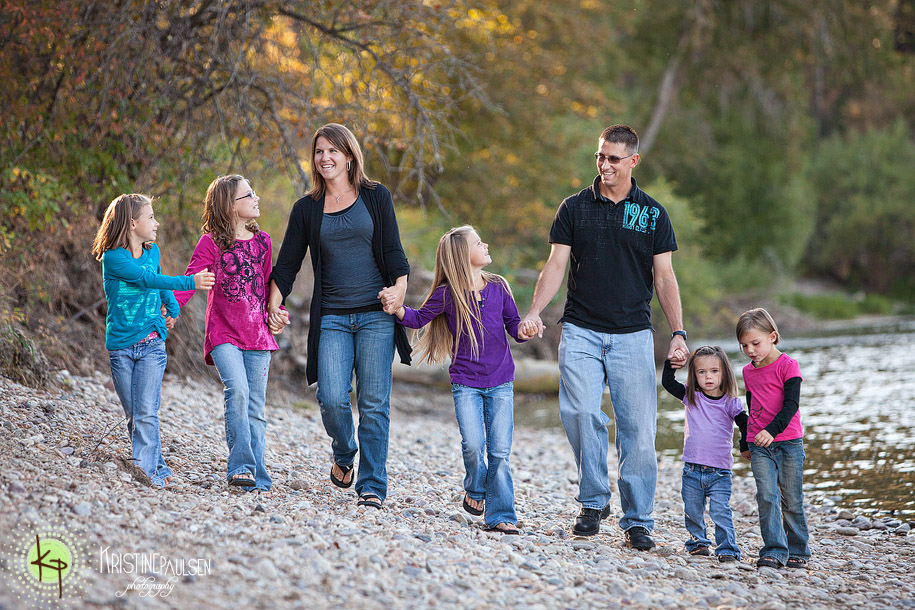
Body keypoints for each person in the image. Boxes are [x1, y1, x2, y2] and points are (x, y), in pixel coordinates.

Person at [522, 124, 688, 548]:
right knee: (579, 413)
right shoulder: (574, 208)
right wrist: (536, 311)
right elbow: (555, 265)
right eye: (601, 156)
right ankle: (594, 501)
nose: (605, 164)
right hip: (579, 330)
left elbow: (665, 278)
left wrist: (678, 333)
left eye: (614, 158)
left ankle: (638, 521)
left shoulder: (653, 213)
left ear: (634, 161)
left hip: (633, 336)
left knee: (637, 432)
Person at [268, 123, 411, 510]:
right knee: (331, 397)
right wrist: (273, 303)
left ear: (349, 156)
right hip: (331, 316)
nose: (325, 158)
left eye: (333, 151)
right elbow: (287, 265)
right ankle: (345, 452)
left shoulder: (375, 196)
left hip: (375, 317)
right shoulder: (306, 209)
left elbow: (395, 254)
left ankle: (372, 486)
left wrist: (399, 289)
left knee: (375, 401)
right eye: (319, 152)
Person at [382, 226, 537, 534]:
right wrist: (398, 308)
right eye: (480, 243)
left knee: (500, 452)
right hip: (466, 383)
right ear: (463, 255)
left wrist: (526, 329)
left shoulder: (499, 287)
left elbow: (514, 327)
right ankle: (475, 487)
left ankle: (501, 515)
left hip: (502, 382)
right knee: (473, 445)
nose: (486, 244)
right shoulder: (448, 294)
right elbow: (417, 318)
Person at [92, 193, 215, 488]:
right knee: (135, 414)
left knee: (146, 410)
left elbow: (157, 280)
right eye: (151, 217)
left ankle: (145, 473)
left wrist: (172, 308)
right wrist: (190, 282)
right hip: (121, 347)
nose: (156, 222)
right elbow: (145, 280)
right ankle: (156, 465)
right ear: (133, 223)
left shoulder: (153, 252)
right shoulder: (114, 258)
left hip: (151, 345)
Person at [175, 175, 288, 492]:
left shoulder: (263, 242)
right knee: (237, 392)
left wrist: (278, 314)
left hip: (259, 336)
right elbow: (190, 281)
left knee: (255, 407)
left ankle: (258, 476)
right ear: (230, 205)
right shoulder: (211, 243)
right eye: (249, 194)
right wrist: (168, 311)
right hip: (224, 334)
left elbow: (269, 289)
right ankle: (240, 467)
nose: (256, 198)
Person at [736, 308, 810, 570]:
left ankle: (798, 550)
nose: (750, 350)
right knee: (766, 496)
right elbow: (751, 404)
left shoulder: (789, 366)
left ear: (773, 336)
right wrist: (746, 440)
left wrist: (773, 430)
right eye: (744, 345)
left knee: (791, 498)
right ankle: (774, 549)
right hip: (759, 445)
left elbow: (791, 405)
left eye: (755, 343)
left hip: (788, 441)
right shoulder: (748, 372)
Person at [661, 346, 748, 562]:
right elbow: (667, 383)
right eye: (701, 372)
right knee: (693, 510)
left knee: (720, 511)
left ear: (724, 373)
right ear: (694, 375)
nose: (708, 376)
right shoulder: (691, 397)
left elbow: (745, 423)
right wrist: (671, 362)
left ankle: (727, 548)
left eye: (714, 371)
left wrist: (745, 446)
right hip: (692, 469)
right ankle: (698, 542)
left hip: (720, 472)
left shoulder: (730, 402)